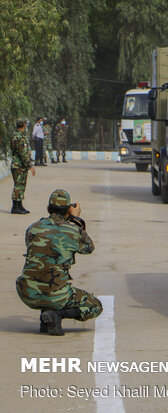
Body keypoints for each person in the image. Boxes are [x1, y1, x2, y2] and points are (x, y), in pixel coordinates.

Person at [15, 189, 102, 336]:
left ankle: (46, 318)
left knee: (44, 271)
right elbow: (88, 248)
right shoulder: (73, 230)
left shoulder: (33, 228)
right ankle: (57, 315)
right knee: (95, 306)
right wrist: (76, 220)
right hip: (56, 294)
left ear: (48, 209)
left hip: (26, 292)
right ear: (68, 209)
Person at [10, 120, 36, 214]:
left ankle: (19, 205)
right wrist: (30, 166)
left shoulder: (15, 135)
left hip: (18, 165)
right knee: (18, 186)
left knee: (20, 185)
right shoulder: (20, 137)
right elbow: (23, 153)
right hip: (19, 165)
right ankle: (15, 207)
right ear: (24, 125)